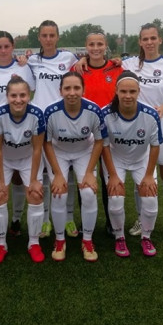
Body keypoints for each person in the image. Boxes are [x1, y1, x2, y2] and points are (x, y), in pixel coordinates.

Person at [123, 23, 163, 241]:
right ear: (140, 42)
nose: (149, 42)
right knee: (140, 177)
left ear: (160, 40)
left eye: (153, 38)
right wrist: (82, 60)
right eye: (145, 39)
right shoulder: (129, 63)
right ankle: (141, 218)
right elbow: (105, 63)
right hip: (138, 125)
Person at [43, 72, 107, 262]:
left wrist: (89, 172)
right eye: (67, 88)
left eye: (76, 88)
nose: (72, 93)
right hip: (59, 152)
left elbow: (99, 141)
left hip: (84, 152)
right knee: (59, 193)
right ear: (60, 91)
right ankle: (60, 240)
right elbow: (47, 143)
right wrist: (57, 174)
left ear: (83, 90)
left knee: (88, 193)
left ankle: (87, 240)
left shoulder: (93, 110)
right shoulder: (51, 111)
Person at [0, 31, 36, 238]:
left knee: (18, 178)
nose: (3, 50)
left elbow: (31, 92)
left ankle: (16, 219)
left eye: (6, 46)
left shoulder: (23, 67)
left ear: (13, 47)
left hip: (19, 129)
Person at [101, 71, 162, 257]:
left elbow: (155, 146)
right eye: (123, 91)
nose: (128, 96)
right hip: (116, 159)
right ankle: (119, 237)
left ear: (138, 92)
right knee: (115, 198)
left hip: (141, 159)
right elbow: (104, 146)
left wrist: (149, 175)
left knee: (150, 196)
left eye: (132, 91)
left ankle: (146, 237)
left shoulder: (150, 114)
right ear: (116, 91)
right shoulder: (105, 113)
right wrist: (112, 175)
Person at [27, 20, 79, 239]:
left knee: (67, 173)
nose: (48, 39)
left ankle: (69, 218)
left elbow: (83, 70)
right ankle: (46, 219)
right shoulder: (31, 61)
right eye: (44, 35)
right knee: (45, 174)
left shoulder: (69, 59)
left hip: (63, 120)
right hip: (40, 122)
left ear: (58, 37)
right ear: (39, 38)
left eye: (52, 35)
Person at [72, 32, 123, 236]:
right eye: (91, 44)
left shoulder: (117, 68)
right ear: (86, 46)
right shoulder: (77, 69)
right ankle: (86, 223)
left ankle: (112, 221)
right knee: (85, 178)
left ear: (105, 45)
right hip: (85, 132)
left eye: (99, 44)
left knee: (108, 175)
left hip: (111, 130)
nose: (95, 48)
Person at [0, 76, 46, 263]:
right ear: (7, 96)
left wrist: (34, 180)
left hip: (28, 158)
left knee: (36, 194)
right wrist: (0, 181)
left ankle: (34, 242)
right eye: (13, 95)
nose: (18, 100)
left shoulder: (37, 114)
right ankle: (1, 244)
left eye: (22, 95)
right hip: (4, 159)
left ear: (29, 96)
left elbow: (37, 148)